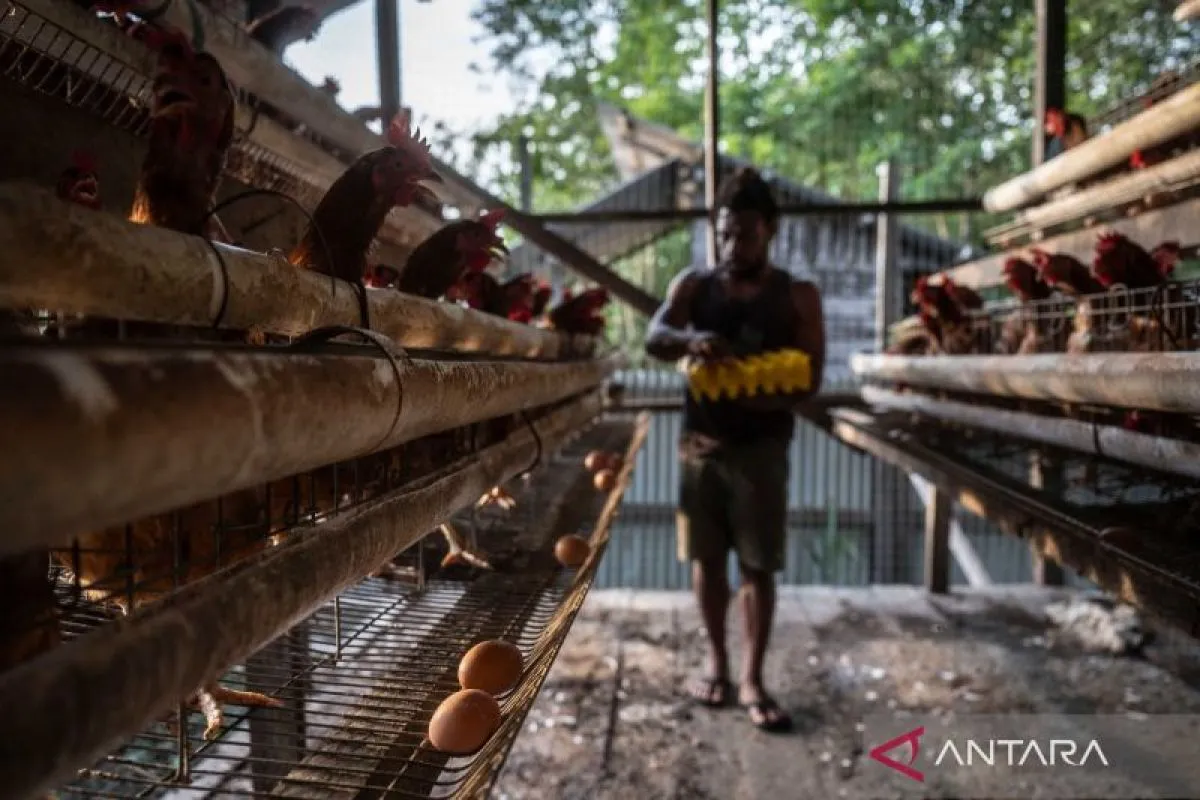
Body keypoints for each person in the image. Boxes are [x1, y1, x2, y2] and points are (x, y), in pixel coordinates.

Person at [644, 167, 825, 732]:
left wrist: (758, 395)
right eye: (724, 234)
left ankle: (753, 677)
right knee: (706, 561)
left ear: (769, 230)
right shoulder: (694, 286)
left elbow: (811, 377)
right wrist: (691, 339)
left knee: (757, 566)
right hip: (698, 449)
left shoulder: (796, 295)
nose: (731, 244)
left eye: (744, 234)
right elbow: (654, 338)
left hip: (761, 452)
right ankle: (717, 662)